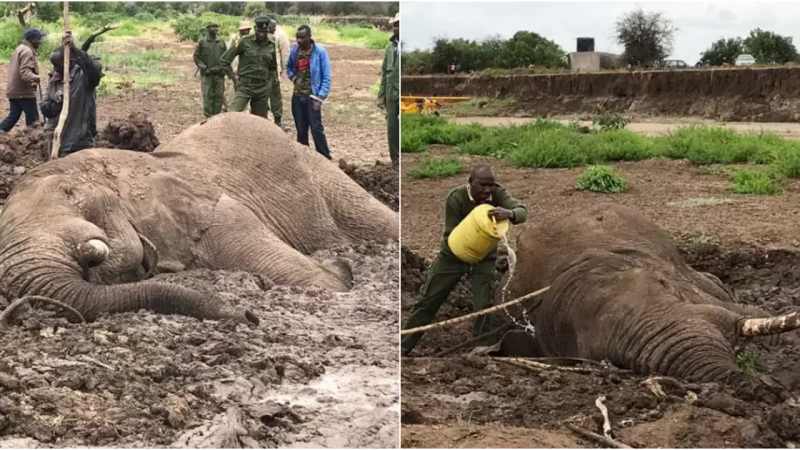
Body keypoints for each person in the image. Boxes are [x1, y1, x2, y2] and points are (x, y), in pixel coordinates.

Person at [400, 165, 528, 356]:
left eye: (490, 185)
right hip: (452, 255)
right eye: (482, 185)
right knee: (428, 300)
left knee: (483, 304)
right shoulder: (456, 198)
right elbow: (454, 235)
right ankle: (403, 346)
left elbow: (522, 212)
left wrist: (510, 214)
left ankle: (483, 348)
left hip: (483, 257)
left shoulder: (497, 194)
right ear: (471, 183)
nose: (487, 190)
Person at [40, 33, 102, 158]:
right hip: (57, 139)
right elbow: (45, 108)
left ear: (69, 61)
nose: (55, 69)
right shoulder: (54, 79)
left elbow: (94, 72)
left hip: (78, 140)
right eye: (54, 65)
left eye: (58, 65)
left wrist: (74, 49)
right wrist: (56, 103)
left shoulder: (83, 77)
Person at [285, 25, 332, 160]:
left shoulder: (320, 52)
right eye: (297, 37)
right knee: (301, 130)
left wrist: (320, 98)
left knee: (316, 129)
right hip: (298, 96)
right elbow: (288, 67)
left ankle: (325, 158)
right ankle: (304, 160)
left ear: (309, 36)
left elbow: (326, 77)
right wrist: (293, 78)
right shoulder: (295, 51)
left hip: (313, 96)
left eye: (302, 37)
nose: (299, 40)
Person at [221, 16, 278, 119]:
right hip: (244, 87)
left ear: (268, 30)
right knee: (232, 116)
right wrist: (234, 80)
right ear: (255, 28)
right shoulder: (244, 41)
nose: (262, 34)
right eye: (259, 31)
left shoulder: (271, 44)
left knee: (260, 121)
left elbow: (272, 68)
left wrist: (269, 84)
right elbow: (224, 60)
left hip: (262, 88)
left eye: (265, 32)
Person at [0, 28, 46, 132]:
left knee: (13, 117)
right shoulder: (27, 51)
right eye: (39, 39)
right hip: (24, 92)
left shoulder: (20, 48)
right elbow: (25, 72)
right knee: (33, 121)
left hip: (15, 90)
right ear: (32, 39)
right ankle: (33, 142)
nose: (41, 41)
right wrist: (36, 78)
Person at [378, 13, 399, 167]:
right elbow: (384, 73)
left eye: (399, 25)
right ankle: (395, 159)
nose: (396, 28)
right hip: (391, 93)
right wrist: (381, 95)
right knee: (392, 127)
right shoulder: (389, 47)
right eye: (395, 25)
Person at [193, 22, 227, 118]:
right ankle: (208, 118)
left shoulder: (221, 42)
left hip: (219, 75)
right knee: (207, 97)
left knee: (219, 97)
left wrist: (222, 69)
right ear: (207, 29)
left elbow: (226, 57)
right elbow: (196, 57)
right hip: (207, 75)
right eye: (213, 27)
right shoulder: (202, 42)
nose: (215, 29)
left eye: (217, 27)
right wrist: (204, 67)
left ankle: (216, 117)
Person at [224, 20, 252, 113]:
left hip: (246, 72)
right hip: (233, 70)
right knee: (229, 93)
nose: (245, 32)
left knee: (245, 94)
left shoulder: (251, 40)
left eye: (247, 30)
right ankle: (228, 110)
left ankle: (245, 113)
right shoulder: (235, 39)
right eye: (243, 30)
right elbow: (227, 56)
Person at [268, 18, 291, 131]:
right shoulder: (259, 35)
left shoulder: (280, 35)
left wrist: (283, 71)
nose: (273, 28)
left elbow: (285, 54)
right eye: (271, 26)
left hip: (274, 71)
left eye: (274, 26)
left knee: (276, 97)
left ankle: (277, 122)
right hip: (260, 73)